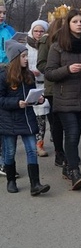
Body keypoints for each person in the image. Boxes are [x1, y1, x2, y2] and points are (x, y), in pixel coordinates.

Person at [45, 9, 81, 190]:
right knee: (72, 132)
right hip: (63, 97)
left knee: (75, 135)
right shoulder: (57, 46)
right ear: (68, 24)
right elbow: (49, 73)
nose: (79, 24)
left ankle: (67, 167)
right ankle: (74, 171)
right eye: (75, 21)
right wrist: (68, 69)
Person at [0, 40, 50, 195]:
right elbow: (1, 99)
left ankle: (35, 184)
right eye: (23, 56)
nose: (26, 59)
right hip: (9, 121)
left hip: (27, 118)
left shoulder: (28, 74)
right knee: (9, 152)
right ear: (15, 58)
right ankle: (11, 180)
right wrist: (16, 102)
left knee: (31, 150)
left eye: (27, 55)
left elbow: (31, 95)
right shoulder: (3, 76)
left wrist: (38, 99)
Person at [36, 6, 68, 168]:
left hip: (70, 86)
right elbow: (41, 64)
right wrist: (56, 70)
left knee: (68, 123)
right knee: (57, 124)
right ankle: (59, 153)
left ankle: (68, 153)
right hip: (53, 87)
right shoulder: (46, 41)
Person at [26, 20, 50, 157]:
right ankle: (29, 143)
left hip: (44, 83)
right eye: (36, 31)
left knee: (41, 116)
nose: (39, 34)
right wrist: (29, 71)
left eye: (41, 31)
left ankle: (39, 143)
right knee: (30, 116)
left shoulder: (48, 44)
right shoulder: (26, 45)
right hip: (29, 84)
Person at [0, 0, 16, 64]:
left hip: (6, 69)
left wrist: (20, 45)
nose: (2, 16)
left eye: (4, 13)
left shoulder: (10, 30)